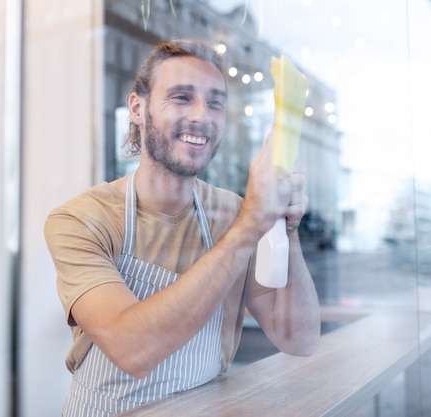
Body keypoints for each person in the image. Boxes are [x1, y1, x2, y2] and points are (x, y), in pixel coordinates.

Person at [44, 39, 321, 417]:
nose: (202, 116)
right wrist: (250, 224)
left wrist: (285, 226)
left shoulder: (233, 212)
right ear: (138, 109)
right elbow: (133, 350)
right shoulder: (82, 219)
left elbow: (299, 338)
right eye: (181, 97)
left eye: (216, 102)